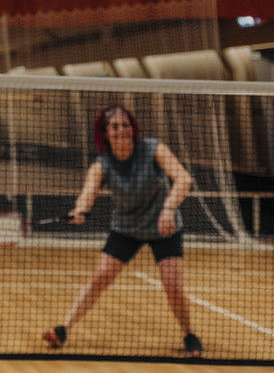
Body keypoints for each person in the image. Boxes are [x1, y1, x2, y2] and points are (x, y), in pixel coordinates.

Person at [42, 104, 203, 357]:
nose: (121, 130)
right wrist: (80, 210)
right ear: (105, 133)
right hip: (126, 229)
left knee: (173, 285)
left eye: (126, 124)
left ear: (133, 128)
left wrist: (169, 208)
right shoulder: (102, 165)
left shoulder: (153, 149)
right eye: (114, 126)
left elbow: (184, 178)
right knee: (99, 279)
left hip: (163, 226)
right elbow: (88, 192)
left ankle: (189, 335)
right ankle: (63, 329)